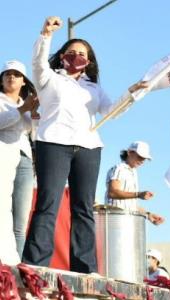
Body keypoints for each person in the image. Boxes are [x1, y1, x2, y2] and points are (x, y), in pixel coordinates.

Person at [22, 16, 147, 273]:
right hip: (53, 143)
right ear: (63, 55)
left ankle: (84, 268)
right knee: (48, 203)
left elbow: (112, 110)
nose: (77, 56)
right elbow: (37, 61)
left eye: (82, 53)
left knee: (83, 208)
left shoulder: (94, 88)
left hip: (88, 147)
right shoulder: (48, 77)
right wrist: (46, 34)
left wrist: (132, 93)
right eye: (72, 52)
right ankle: (35, 264)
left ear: (88, 61)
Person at [0, 60, 38, 263]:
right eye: (7, 73)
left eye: (16, 74)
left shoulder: (26, 103)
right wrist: (23, 109)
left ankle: (20, 269)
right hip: (3, 155)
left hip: (24, 159)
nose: (11, 77)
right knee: (2, 210)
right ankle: (5, 264)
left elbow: (34, 134)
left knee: (20, 220)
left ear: (24, 81)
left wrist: (34, 113)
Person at [105, 141, 165, 225]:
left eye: (144, 158)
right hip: (115, 221)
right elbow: (112, 192)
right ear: (129, 152)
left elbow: (130, 205)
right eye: (140, 156)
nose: (142, 161)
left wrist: (148, 214)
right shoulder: (119, 169)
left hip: (128, 221)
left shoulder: (133, 172)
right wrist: (138, 194)